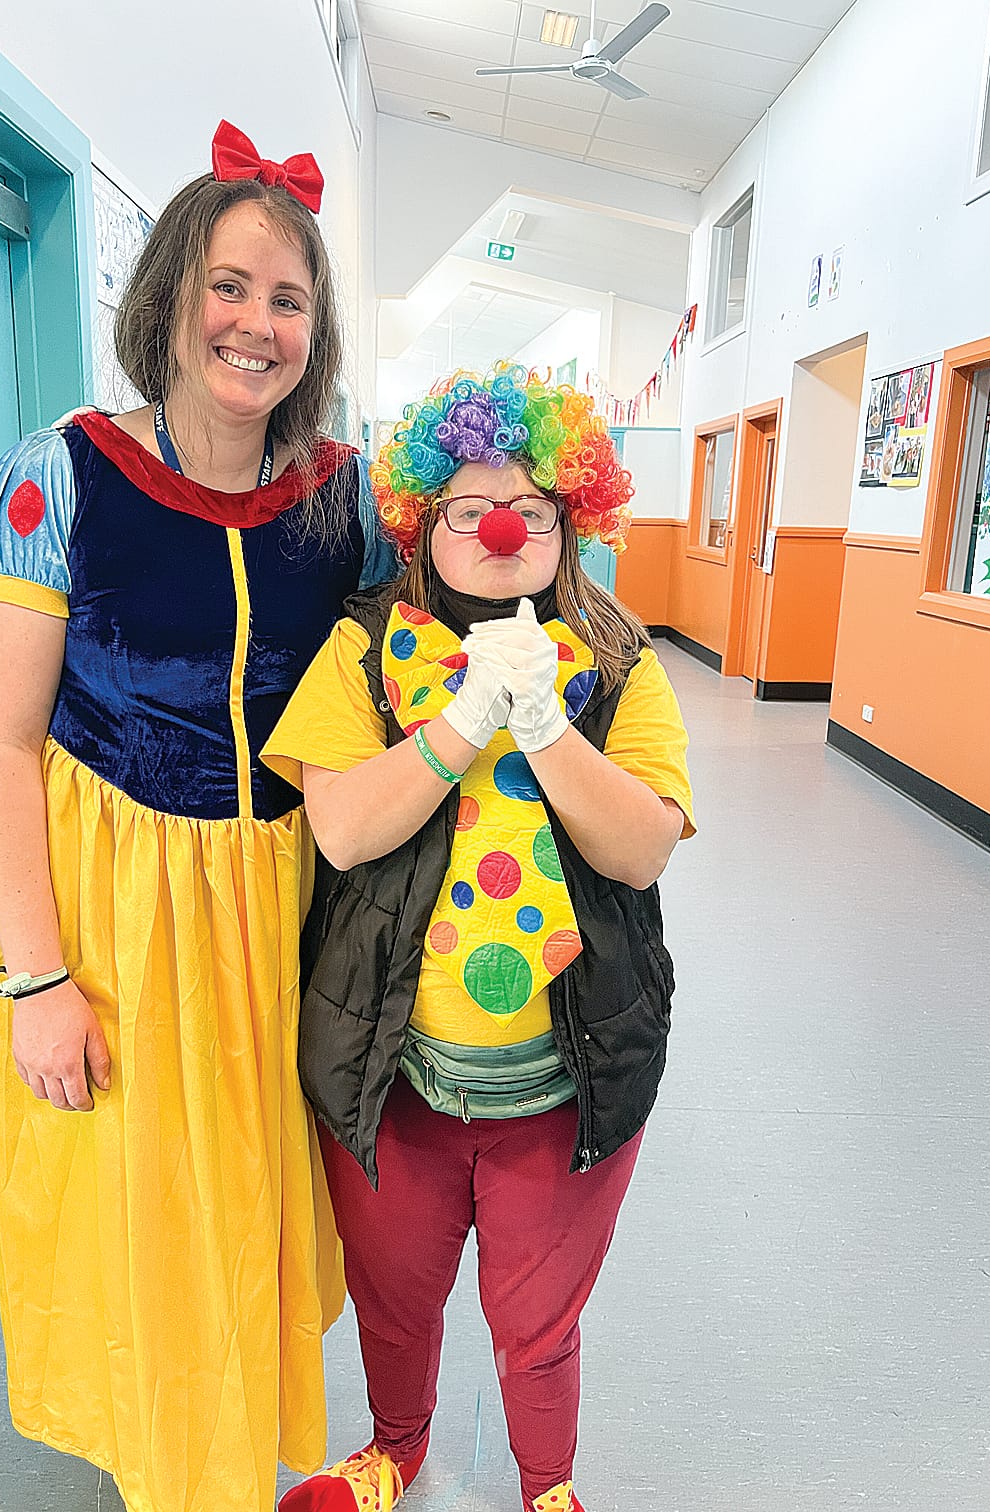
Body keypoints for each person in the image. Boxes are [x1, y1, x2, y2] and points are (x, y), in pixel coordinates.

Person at [0, 121, 396, 1512]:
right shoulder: (59, 474)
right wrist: (37, 975)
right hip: (116, 917)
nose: (254, 324)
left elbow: (410, 675)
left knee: (261, 1217)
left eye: (287, 297)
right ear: (169, 295)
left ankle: (234, 1462)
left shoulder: (342, 499)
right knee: (144, 1235)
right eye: (228, 284)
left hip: (284, 915)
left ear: (313, 330)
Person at [262, 365, 695, 1512]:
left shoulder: (620, 664)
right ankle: (393, 1451)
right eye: (466, 508)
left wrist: (547, 725)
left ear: (567, 526)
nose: (499, 527)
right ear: (423, 525)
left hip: (566, 1077)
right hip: (392, 1071)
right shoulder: (362, 653)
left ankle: (546, 1485)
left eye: (530, 510)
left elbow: (642, 848)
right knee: (395, 1297)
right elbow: (345, 829)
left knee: (536, 1321)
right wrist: (461, 724)